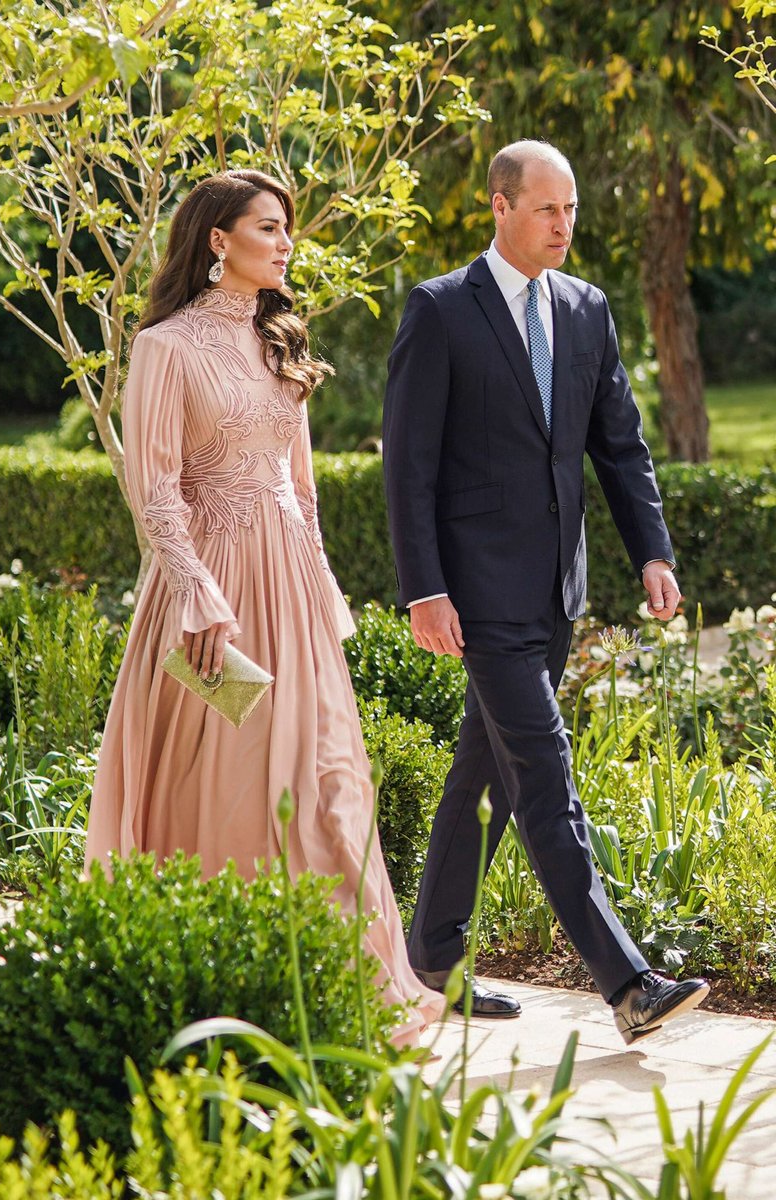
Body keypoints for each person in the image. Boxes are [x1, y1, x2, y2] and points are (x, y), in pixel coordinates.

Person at [84, 168, 444, 1044]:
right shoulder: (165, 347)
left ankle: (342, 985)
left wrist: (322, 587)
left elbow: (303, 487)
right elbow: (153, 486)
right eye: (269, 228)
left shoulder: (282, 335)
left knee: (327, 781)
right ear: (218, 241)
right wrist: (197, 594)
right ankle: (224, 983)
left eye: (287, 230)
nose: (286, 243)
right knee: (233, 783)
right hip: (215, 592)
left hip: (291, 589)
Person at [382, 140, 710, 1044]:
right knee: (543, 774)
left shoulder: (588, 308)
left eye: (571, 210)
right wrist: (425, 591)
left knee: (482, 772)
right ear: (499, 206)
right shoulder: (441, 310)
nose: (564, 226)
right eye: (546, 210)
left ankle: (435, 957)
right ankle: (628, 982)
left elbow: (620, 445)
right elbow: (407, 469)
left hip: (556, 587)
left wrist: (652, 551)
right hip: (476, 595)